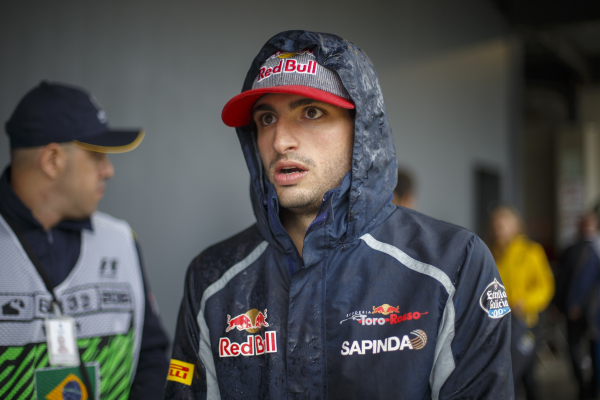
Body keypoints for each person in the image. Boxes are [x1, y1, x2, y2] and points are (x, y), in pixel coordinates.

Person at [164, 30, 513, 399]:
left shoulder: (453, 265)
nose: (280, 141)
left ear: (363, 130)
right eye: (266, 119)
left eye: (310, 113)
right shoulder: (212, 277)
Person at [0, 82, 169, 399]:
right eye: (96, 155)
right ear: (52, 160)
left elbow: (154, 355)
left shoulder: (120, 240)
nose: (109, 170)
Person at [489, 205, 555, 400]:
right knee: (521, 375)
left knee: (518, 373)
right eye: (495, 225)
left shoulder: (531, 252)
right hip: (500, 323)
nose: (498, 229)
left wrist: (525, 302)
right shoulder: (492, 253)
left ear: (515, 226)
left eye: (502, 225)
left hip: (524, 323)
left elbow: (545, 286)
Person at [555, 212, 600, 399]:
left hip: (581, 311)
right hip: (591, 313)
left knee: (576, 348)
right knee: (587, 350)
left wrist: (569, 304)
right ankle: (589, 388)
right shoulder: (586, 250)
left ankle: (586, 388)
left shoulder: (576, 250)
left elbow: (565, 280)